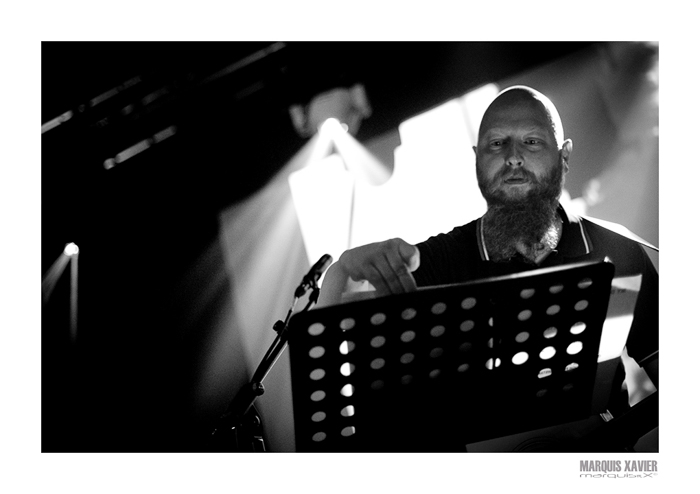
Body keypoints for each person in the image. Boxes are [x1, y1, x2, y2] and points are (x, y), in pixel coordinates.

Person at [317, 85, 658, 447]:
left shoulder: (620, 253)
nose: (513, 157)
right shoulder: (439, 261)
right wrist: (344, 270)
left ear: (565, 156)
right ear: (477, 159)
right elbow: (336, 327)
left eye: (532, 142)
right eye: (497, 144)